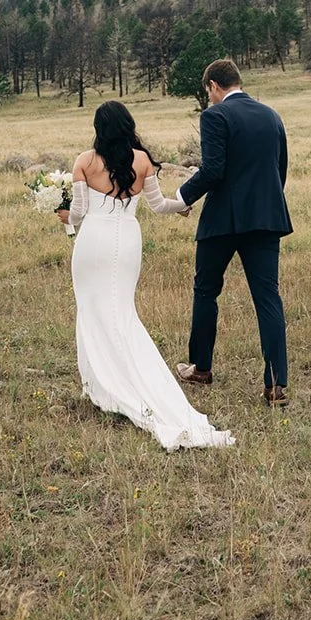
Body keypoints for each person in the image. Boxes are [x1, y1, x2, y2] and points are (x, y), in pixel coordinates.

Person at [60, 101, 234, 449]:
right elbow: (158, 205)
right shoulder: (142, 160)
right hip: (126, 242)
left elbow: (78, 213)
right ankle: (123, 378)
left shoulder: (85, 161)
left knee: (92, 309)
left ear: (98, 127)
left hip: (92, 241)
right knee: (121, 310)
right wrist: (183, 206)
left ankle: (100, 382)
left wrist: (62, 215)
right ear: (128, 125)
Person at [175, 59, 294, 407]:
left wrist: (182, 197)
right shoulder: (272, 116)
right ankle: (275, 385)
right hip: (266, 218)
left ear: (213, 86)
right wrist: (265, 205)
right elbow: (279, 170)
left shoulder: (215, 116)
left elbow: (213, 169)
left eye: (206, 91)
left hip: (223, 221)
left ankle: (201, 368)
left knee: (206, 290)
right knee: (268, 297)